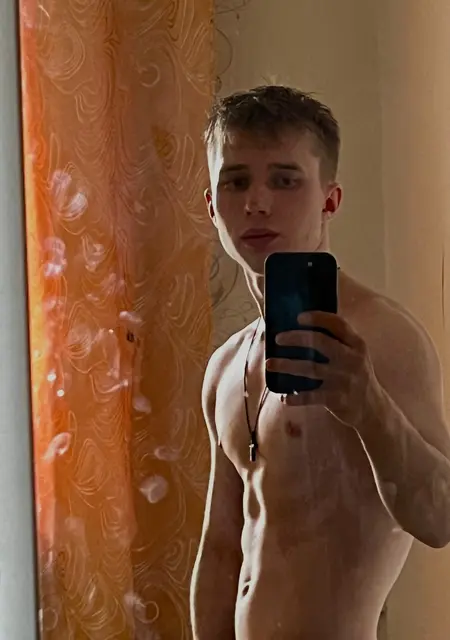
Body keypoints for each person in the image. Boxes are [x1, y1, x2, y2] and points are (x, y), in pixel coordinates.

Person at [189, 85, 450, 640]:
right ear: (211, 204)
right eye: (236, 181)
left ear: (330, 200)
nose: (257, 202)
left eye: (285, 180)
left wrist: (369, 406)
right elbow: (221, 548)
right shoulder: (225, 365)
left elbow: (440, 519)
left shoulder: (381, 337)